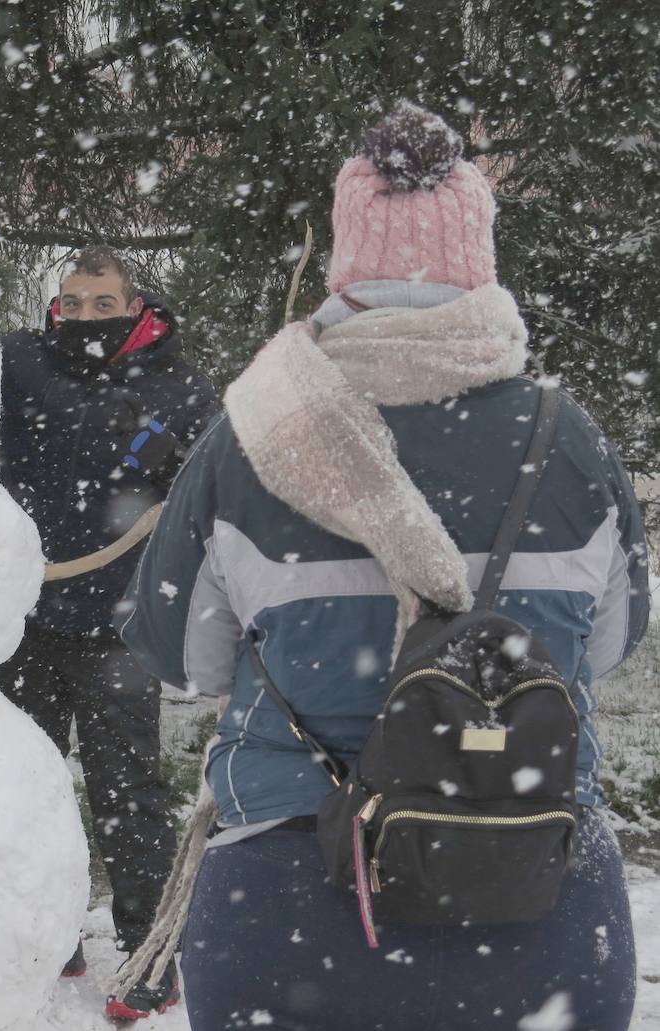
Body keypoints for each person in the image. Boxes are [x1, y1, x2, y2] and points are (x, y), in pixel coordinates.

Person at [118, 103, 649, 1030]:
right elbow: (606, 644)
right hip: (535, 878)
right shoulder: (572, 442)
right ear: (478, 260)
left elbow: (182, 657)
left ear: (343, 263)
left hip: (292, 890)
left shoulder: (248, 437)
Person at [0, 245, 219, 1020]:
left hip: (122, 624)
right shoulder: (22, 364)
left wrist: (174, 458)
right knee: (27, 786)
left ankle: (150, 952)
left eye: (101, 303)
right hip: (25, 616)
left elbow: (217, 482)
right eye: (72, 302)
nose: (83, 316)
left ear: (135, 306)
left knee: (129, 792)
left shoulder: (178, 385)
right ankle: (46, 934)